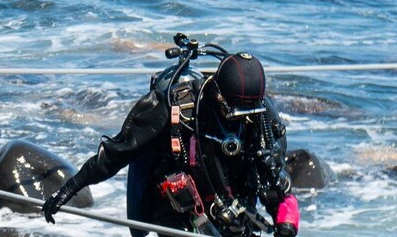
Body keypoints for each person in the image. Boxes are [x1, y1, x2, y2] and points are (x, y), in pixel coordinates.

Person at [40, 45, 300, 237]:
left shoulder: (261, 117)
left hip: (233, 211)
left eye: (248, 114)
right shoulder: (174, 106)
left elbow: (276, 179)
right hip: (177, 207)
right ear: (218, 96)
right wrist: (68, 189)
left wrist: (286, 224)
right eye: (232, 111)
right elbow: (116, 152)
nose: (240, 121)